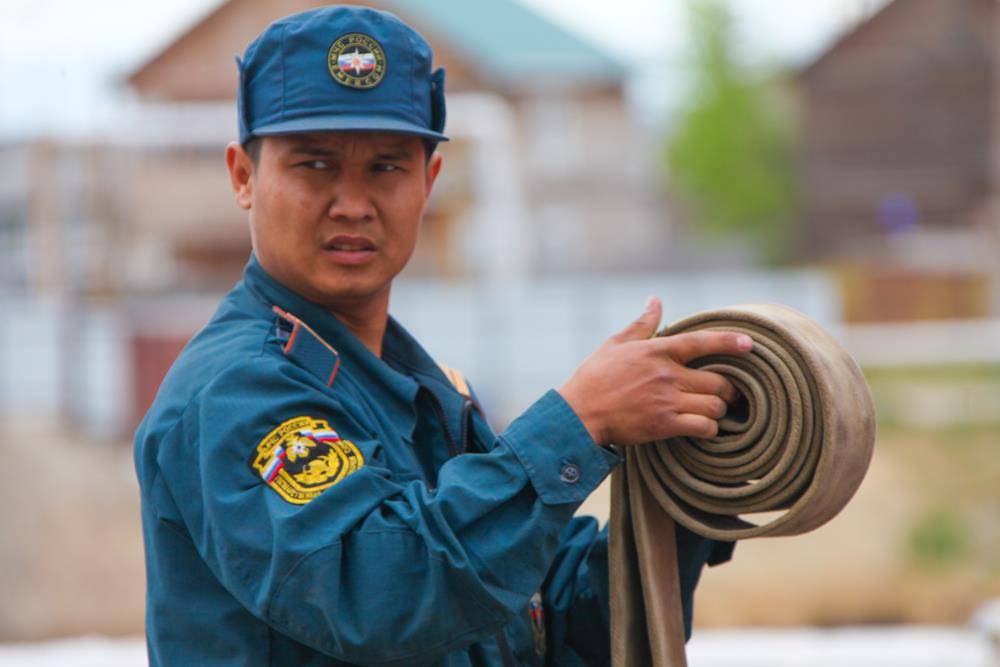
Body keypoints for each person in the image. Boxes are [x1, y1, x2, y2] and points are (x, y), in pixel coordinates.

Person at [133, 6, 752, 666]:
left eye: (386, 167)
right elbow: (380, 594)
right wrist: (580, 422)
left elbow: (556, 622)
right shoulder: (236, 391)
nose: (352, 203)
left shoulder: (419, 390)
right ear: (243, 177)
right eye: (314, 164)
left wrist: (691, 477)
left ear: (428, 182)